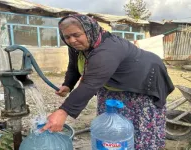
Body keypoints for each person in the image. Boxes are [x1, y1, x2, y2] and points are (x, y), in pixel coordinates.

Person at [41, 14, 174, 150]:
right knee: (110, 123)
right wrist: (68, 84)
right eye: (67, 37)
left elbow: (89, 84)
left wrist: (63, 112)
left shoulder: (108, 49)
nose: (72, 40)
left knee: (140, 125)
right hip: (111, 82)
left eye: (76, 35)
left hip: (143, 80)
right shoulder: (78, 47)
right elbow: (74, 66)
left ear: (89, 30)